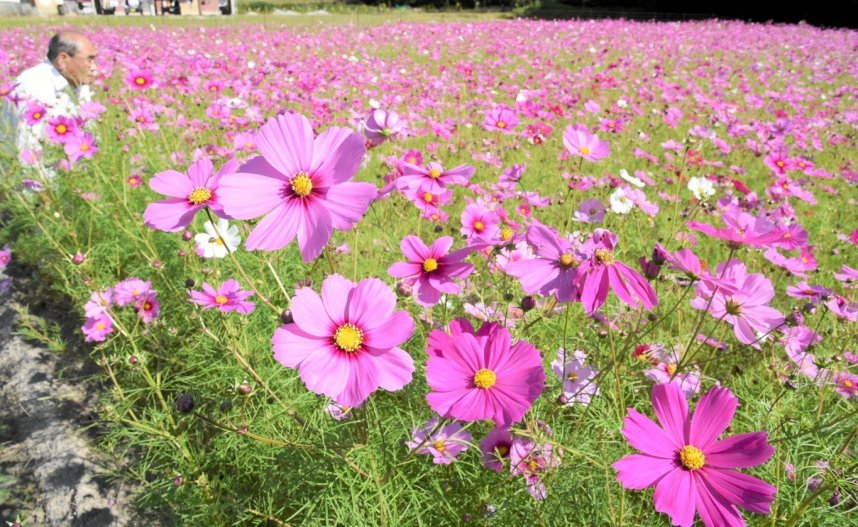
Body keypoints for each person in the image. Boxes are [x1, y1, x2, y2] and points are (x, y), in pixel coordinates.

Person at [1, 31, 97, 157]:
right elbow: (28, 148)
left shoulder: (78, 81)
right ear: (62, 59)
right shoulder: (34, 84)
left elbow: (89, 134)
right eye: (89, 60)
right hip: (31, 171)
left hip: (67, 169)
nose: (94, 67)